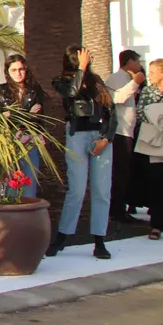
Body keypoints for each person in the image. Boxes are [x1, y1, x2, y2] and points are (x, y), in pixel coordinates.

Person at [46, 46, 115, 260]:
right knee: (76, 189)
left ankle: (99, 240)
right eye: (81, 56)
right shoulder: (62, 80)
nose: (87, 58)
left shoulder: (97, 81)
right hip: (77, 135)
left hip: (100, 136)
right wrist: (82, 69)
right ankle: (63, 237)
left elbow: (111, 112)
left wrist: (106, 138)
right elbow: (72, 93)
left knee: (101, 190)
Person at [0, 54, 48, 198]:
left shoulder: (34, 91)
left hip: (29, 141)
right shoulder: (1, 90)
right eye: (13, 70)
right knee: (10, 184)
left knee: (29, 183)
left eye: (21, 69)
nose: (18, 73)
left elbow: (39, 118)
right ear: (7, 72)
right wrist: (27, 114)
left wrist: (12, 115)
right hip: (8, 142)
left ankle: (26, 218)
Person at [135, 59, 163, 240]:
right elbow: (140, 112)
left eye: (152, 72)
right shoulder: (147, 91)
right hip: (154, 141)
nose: (149, 75)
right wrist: (161, 117)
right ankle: (157, 225)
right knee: (156, 182)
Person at [105, 49, 145, 223]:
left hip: (129, 131)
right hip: (119, 132)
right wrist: (135, 83)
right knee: (119, 172)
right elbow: (116, 98)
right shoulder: (116, 78)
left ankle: (121, 207)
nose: (139, 65)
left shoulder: (128, 78)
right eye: (137, 61)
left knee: (126, 171)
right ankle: (117, 210)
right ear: (129, 62)